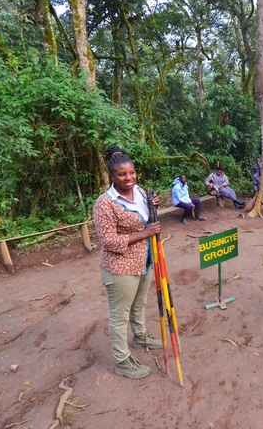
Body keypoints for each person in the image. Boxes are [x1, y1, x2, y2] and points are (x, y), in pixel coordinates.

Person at [92, 146, 163, 380]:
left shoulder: (140, 192)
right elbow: (109, 241)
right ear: (113, 176)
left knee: (139, 304)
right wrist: (146, 233)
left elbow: (144, 218)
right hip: (120, 267)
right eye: (122, 174)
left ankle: (140, 335)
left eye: (131, 173)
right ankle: (122, 360)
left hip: (144, 260)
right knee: (119, 315)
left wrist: (153, 207)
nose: (129, 178)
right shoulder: (105, 203)